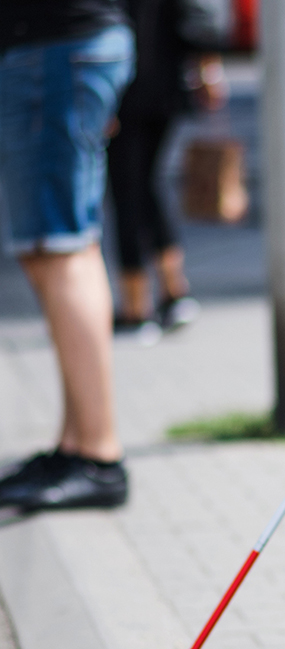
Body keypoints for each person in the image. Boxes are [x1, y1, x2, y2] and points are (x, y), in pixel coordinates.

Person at [0, 0, 134, 511]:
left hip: (55, 46)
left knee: (63, 248)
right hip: (55, 46)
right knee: (48, 250)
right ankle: (75, 443)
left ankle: (97, 455)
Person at [108, 0, 213, 343]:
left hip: (122, 90)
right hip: (164, 86)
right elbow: (192, 17)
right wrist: (208, 68)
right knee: (146, 185)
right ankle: (173, 292)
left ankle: (136, 308)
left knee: (128, 191)